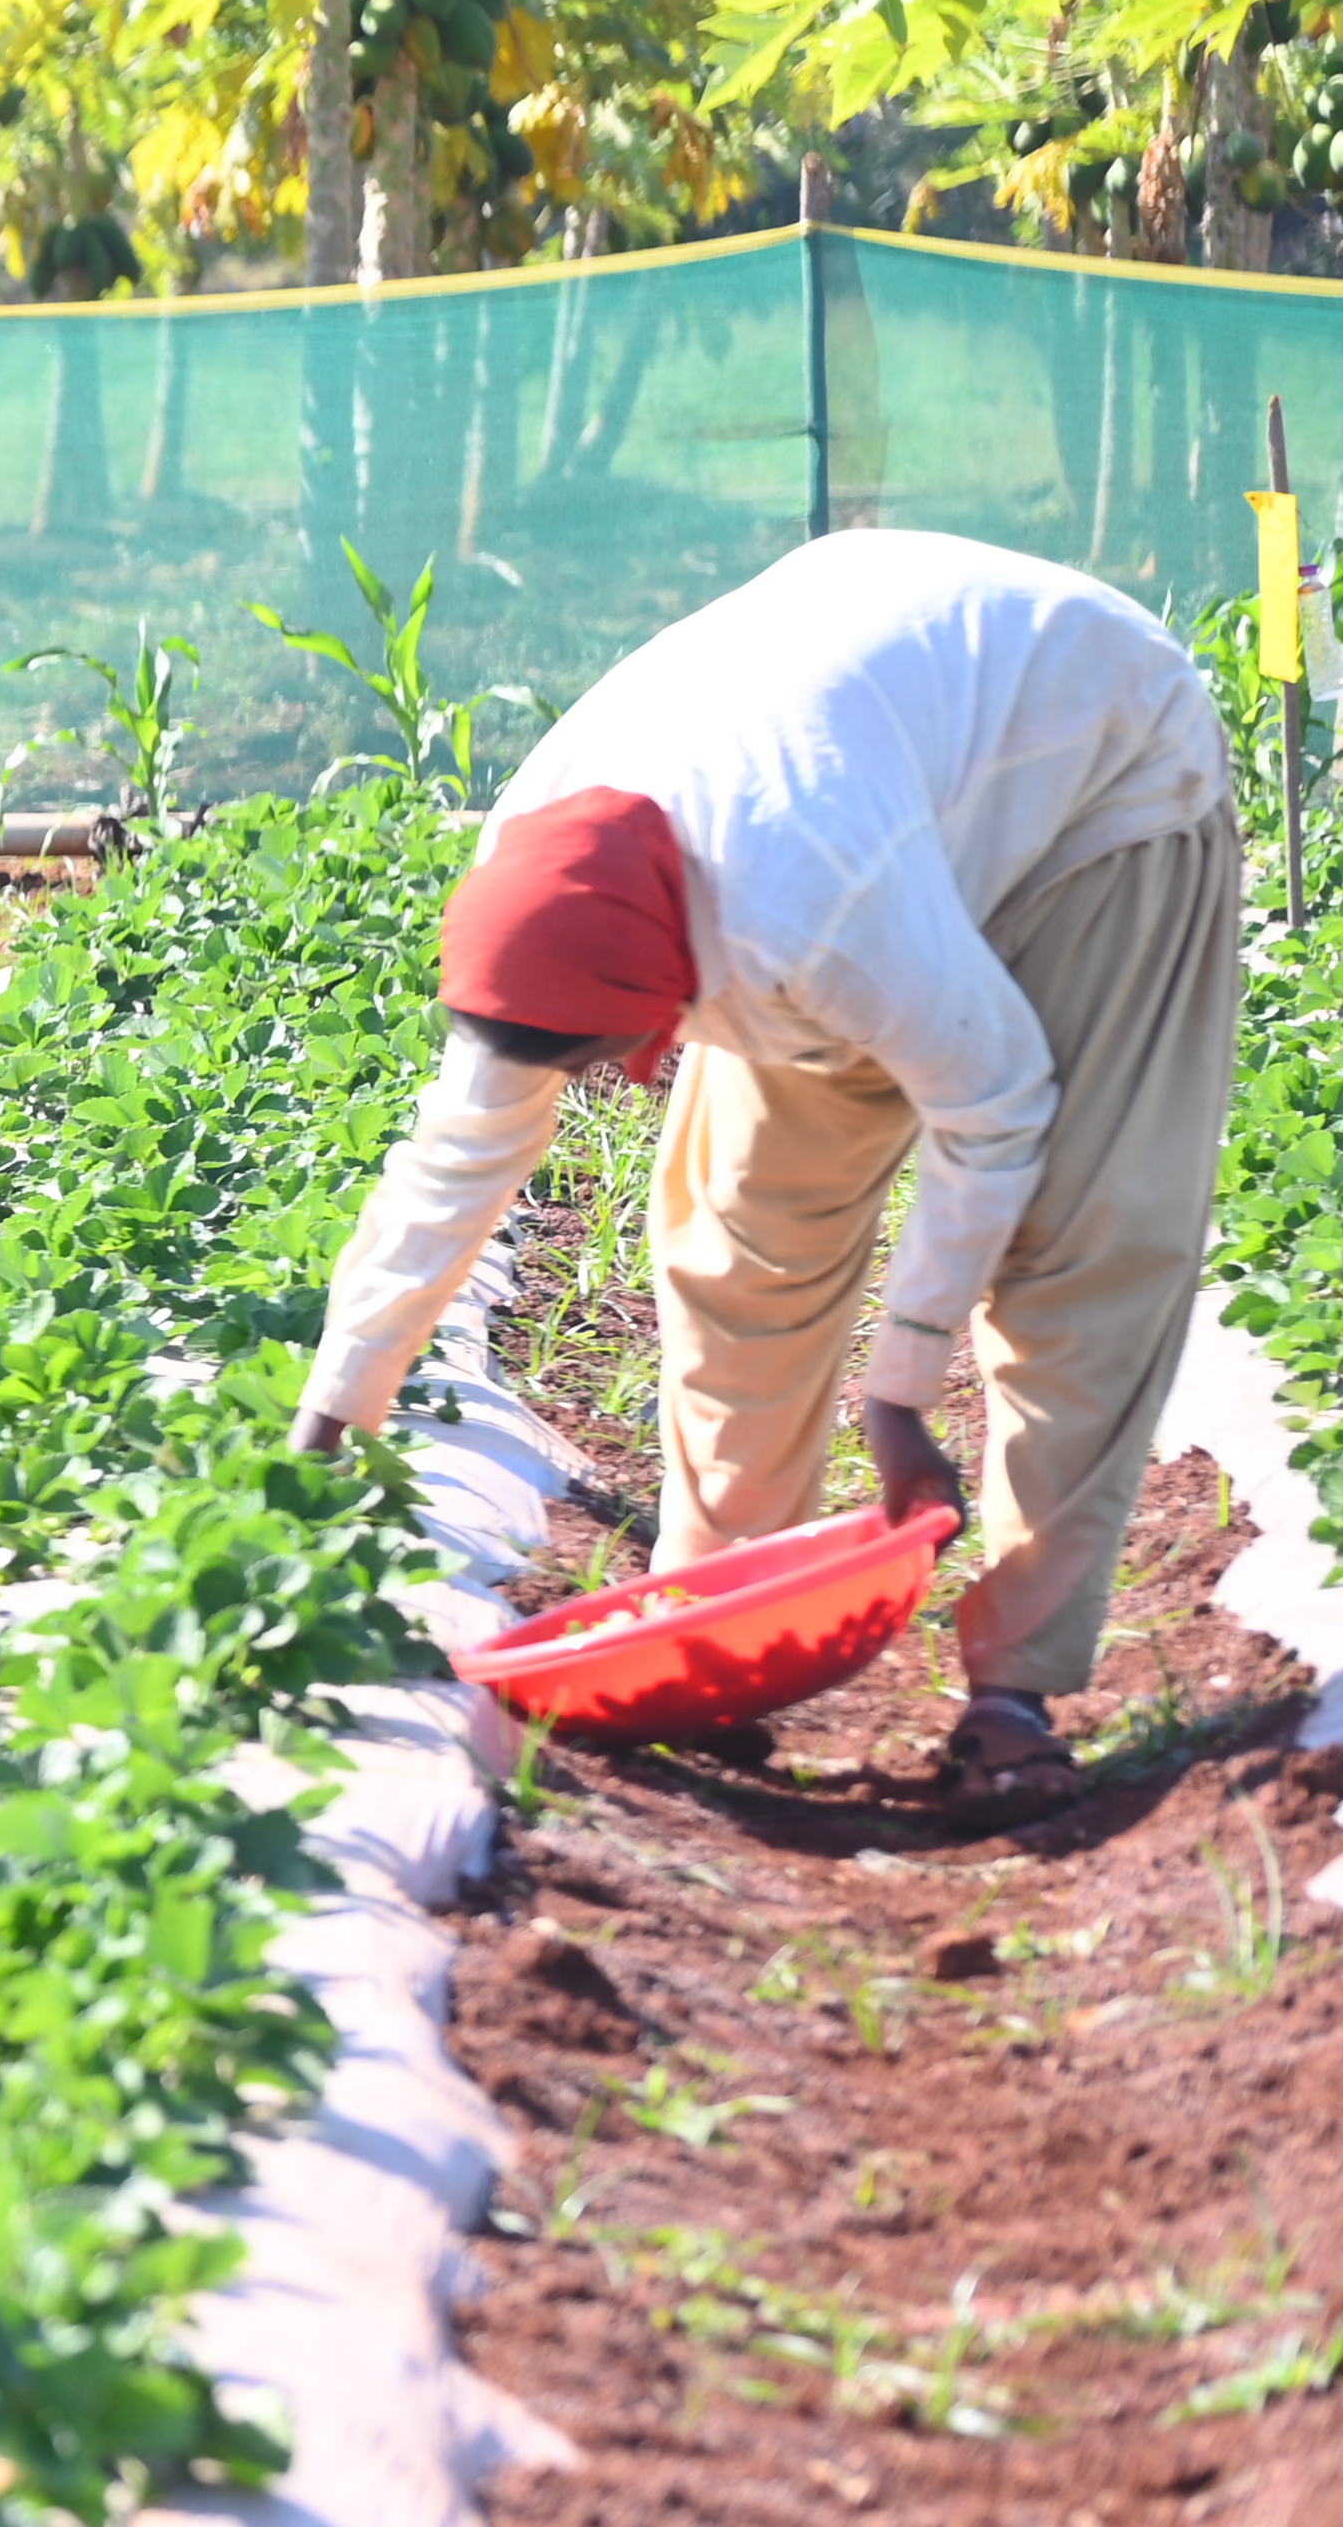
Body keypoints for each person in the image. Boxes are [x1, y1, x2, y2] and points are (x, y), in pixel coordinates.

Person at [293, 530, 1237, 1813]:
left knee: (1081, 1240)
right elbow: (467, 1143)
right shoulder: (541, 883)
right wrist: (343, 1394)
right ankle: (720, 1655)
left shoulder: (813, 900)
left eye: (615, 1051)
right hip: (877, 779)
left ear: (659, 981)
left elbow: (995, 1101)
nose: (619, 1075)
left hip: (1094, 782)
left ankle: (1013, 1698)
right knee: (741, 1233)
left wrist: (903, 1385)